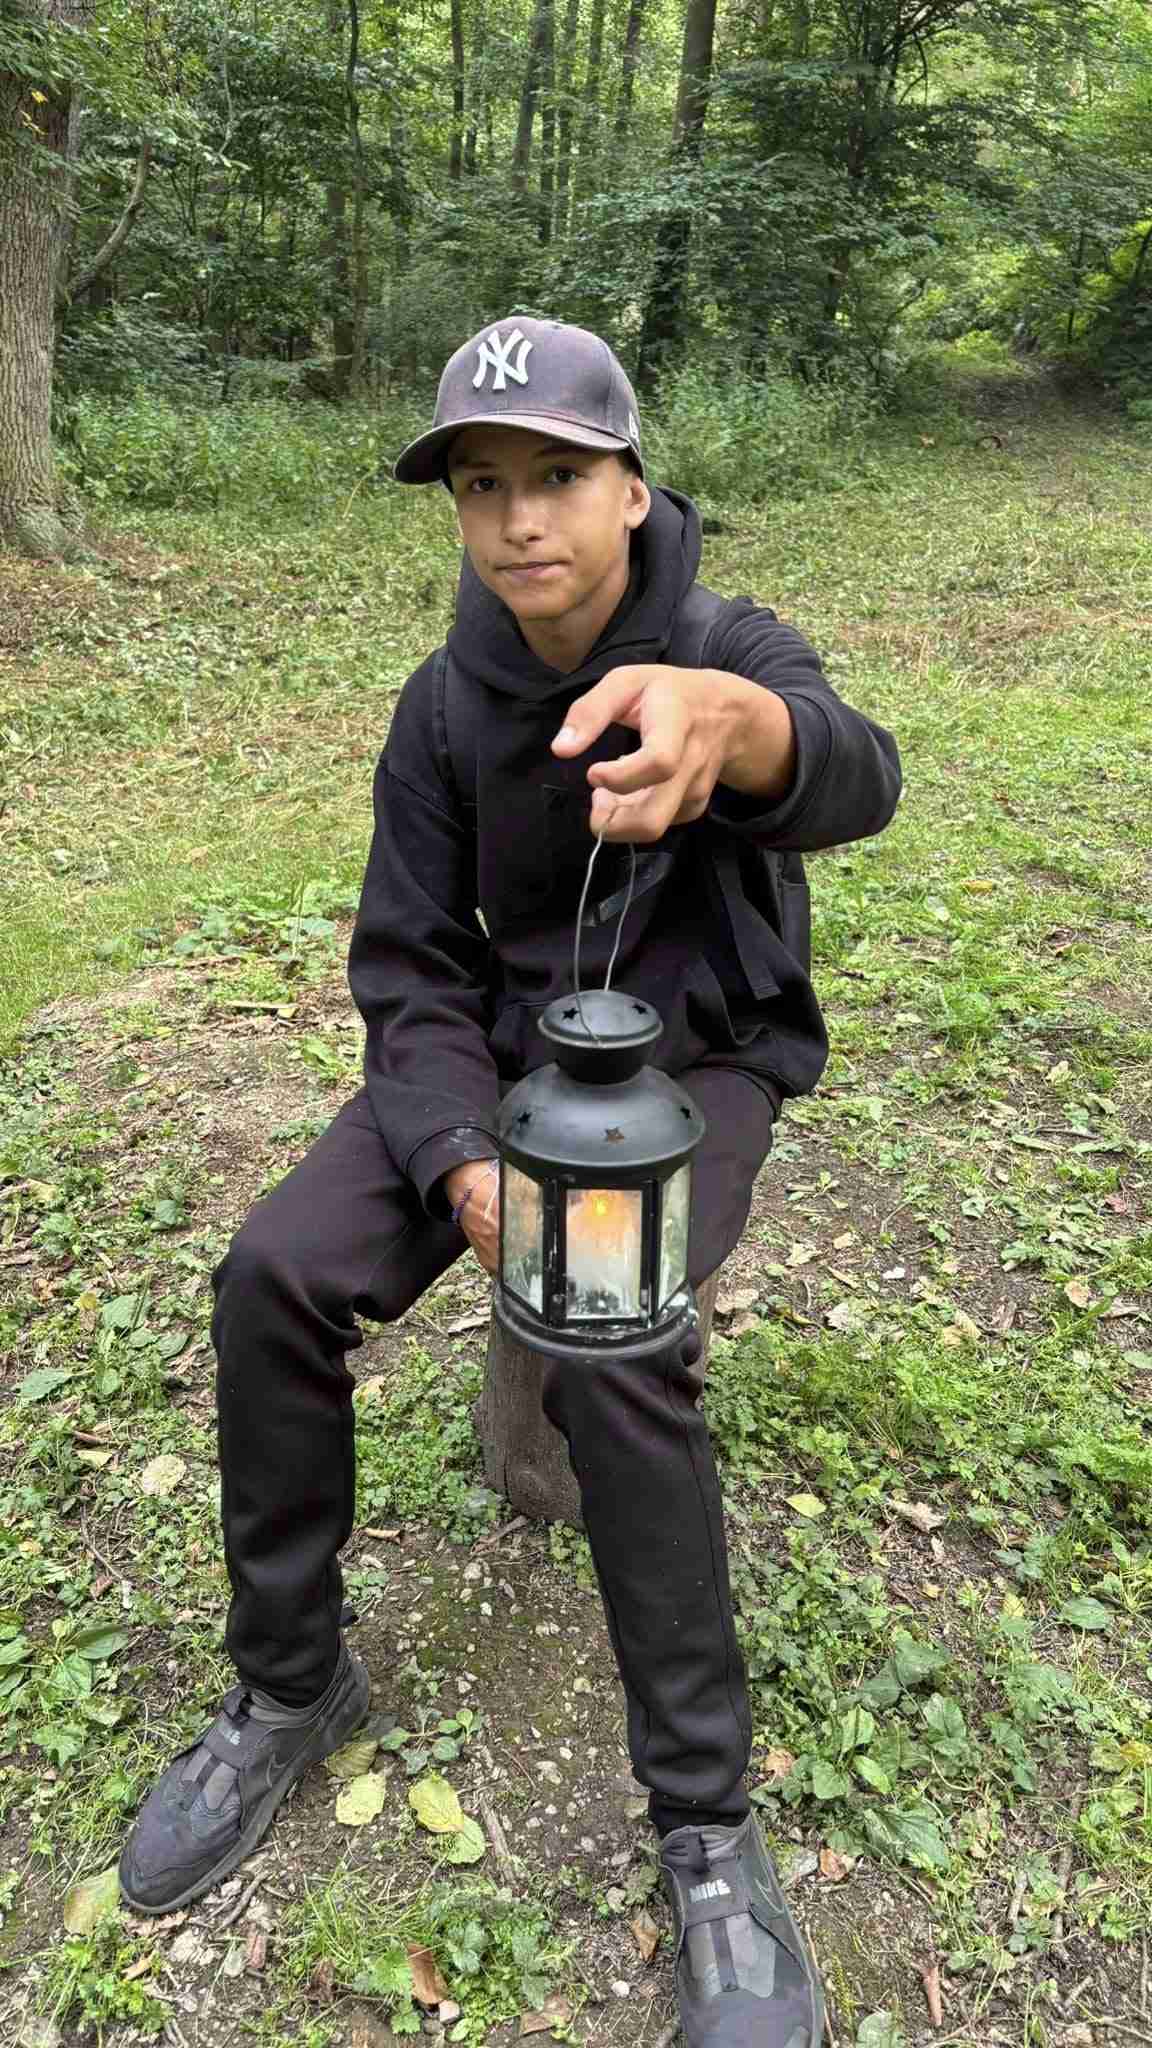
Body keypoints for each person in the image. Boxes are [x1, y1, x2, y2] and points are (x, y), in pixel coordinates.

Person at [119, 315, 901, 2047]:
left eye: (557, 473)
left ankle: (705, 1825)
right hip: (494, 1065)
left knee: (615, 1339)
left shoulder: (723, 648)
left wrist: (741, 730)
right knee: (274, 1276)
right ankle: (290, 1685)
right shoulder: (441, 705)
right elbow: (409, 966)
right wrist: (463, 1159)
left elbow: (857, 772)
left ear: (630, 486)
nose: (520, 517)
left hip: (691, 1067)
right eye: (483, 484)